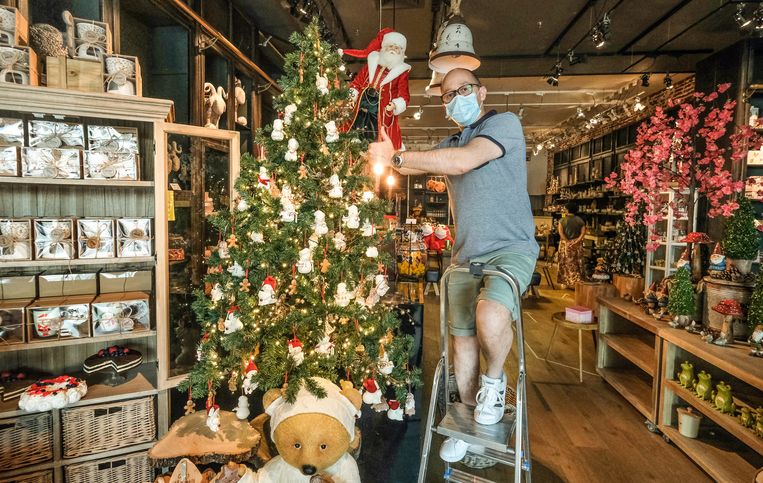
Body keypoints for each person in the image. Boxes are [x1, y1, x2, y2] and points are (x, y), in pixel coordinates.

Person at [369, 68, 538, 464]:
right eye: (447, 95)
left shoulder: (503, 125)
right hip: (465, 256)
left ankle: (493, 387)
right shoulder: (451, 140)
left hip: (510, 249)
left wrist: (395, 155)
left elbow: (463, 162)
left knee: (492, 315)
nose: (455, 97)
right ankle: (470, 424)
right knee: (461, 341)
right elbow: (416, 165)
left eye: (463, 89)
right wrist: (386, 152)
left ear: (481, 91)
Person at [342, 28, 410, 150]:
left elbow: (404, 94)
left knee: (377, 134)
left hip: (381, 108)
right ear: (384, 48)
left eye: (397, 48)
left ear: (401, 52)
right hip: (363, 103)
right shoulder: (371, 63)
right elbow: (358, 82)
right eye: (391, 46)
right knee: (356, 128)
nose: (393, 49)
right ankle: (355, 146)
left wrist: (395, 104)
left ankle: (373, 150)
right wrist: (353, 95)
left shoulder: (402, 72)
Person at [556, 202, 586, 288]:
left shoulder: (562, 220)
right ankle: (577, 282)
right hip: (577, 244)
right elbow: (583, 232)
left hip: (565, 244)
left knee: (564, 263)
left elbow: (561, 232)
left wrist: (567, 241)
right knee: (577, 263)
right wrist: (577, 241)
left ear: (567, 209)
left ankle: (565, 282)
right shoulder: (580, 220)